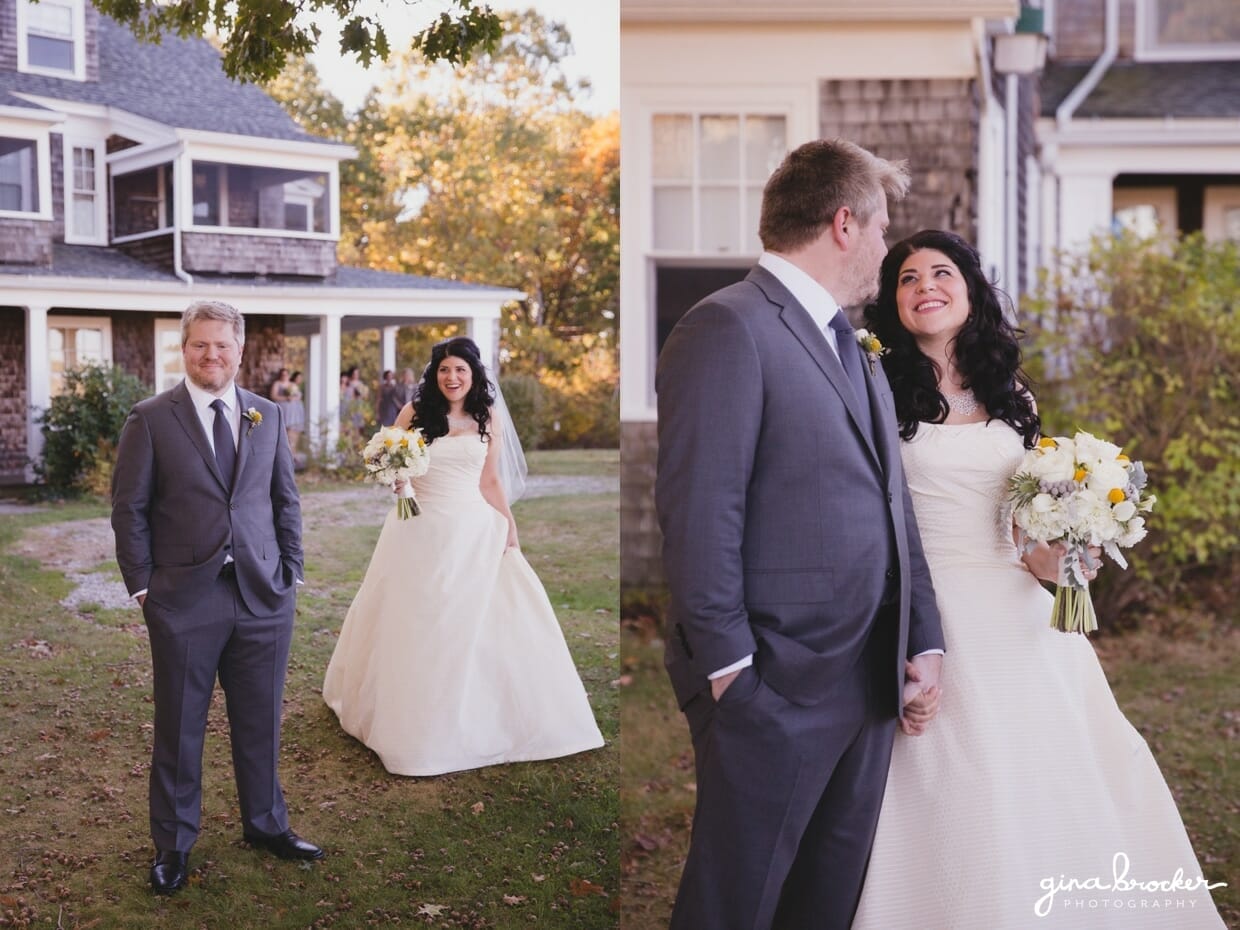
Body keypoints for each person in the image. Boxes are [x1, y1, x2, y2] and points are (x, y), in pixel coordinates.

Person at [851, 229, 1225, 928]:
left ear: (970, 291)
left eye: (940, 273)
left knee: (1051, 778)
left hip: (1021, 614)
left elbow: (1022, 530)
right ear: (892, 300)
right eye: (906, 278)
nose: (923, 286)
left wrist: (1060, 559)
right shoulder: (876, 389)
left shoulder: (1008, 390)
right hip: (936, 612)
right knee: (961, 781)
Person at [654, 139, 946, 930]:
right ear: (845, 223)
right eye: (884, 229)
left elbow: (894, 508)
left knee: (824, 905)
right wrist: (732, 675)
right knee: (738, 905)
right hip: (774, 687)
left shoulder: (854, 349)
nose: (889, 250)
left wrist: (923, 638)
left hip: (867, 681)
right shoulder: (727, 328)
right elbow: (698, 511)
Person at [111, 300, 323, 896]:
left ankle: (266, 824)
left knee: (261, 721)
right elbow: (128, 510)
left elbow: (285, 499)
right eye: (201, 345)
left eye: (223, 346)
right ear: (185, 348)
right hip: (183, 601)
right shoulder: (151, 419)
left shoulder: (267, 414)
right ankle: (173, 846)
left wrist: (292, 571)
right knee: (179, 728)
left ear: (239, 349)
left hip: (263, 595)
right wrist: (145, 586)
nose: (212, 355)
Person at [322, 336, 603, 775]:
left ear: (474, 377)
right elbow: (392, 463)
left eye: (461, 371)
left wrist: (508, 522)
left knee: (478, 618)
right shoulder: (414, 414)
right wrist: (399, 481)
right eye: (445, 370)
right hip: (419, 526)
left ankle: (482, 710)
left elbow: (489, 480)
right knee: (416, 616)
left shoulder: (486, 416)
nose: (452, 378)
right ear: (435, 375)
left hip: (472, 527)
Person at [285, 370, 306, 454]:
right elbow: (291, 397)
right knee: (291, 428)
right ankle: (291, 451)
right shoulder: (291, 385)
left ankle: (294, 451)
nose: (300, 379)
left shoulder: (297, 386)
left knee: (297, 428)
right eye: (298, 378)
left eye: (301, 378)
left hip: (298, 407)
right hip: (293, 408)